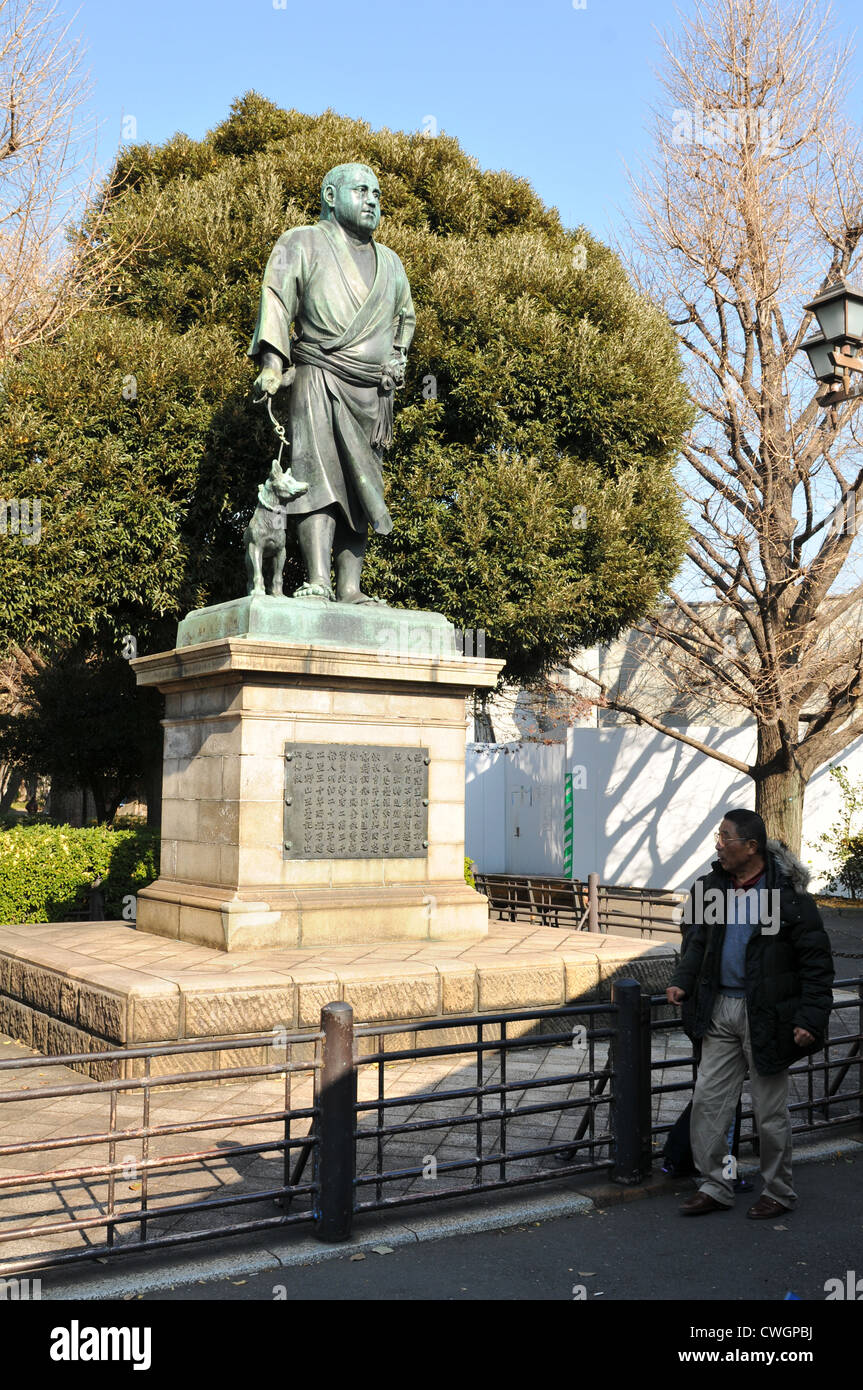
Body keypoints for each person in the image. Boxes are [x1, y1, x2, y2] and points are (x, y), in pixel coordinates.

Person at [248, 161, 415, 604]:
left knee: (363, 487)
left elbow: (405, 320)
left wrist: (398, 359)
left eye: (377, 194)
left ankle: (351, 587)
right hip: (317, 373)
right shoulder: (300, 241)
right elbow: (278, 300)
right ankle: (318, 580)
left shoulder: (391, 263)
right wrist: (271, 362)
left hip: (372, 391)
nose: (372, 200)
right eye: (361, 191)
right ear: (330, 194)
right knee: (316, 475)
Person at [665, 808, 834, 1218]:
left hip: (768, 1013)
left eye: (726, 838)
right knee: (708, 1103)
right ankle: (716, 1184)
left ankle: (778, 1191)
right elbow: (697, 944)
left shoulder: (788, 897)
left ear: (751, 847)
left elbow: (816, 964)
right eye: (718, 837)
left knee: (769, 1111)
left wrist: (810, 1019)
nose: (718, 845)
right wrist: (682, 980)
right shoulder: (712, 889)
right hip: (719, 1008)